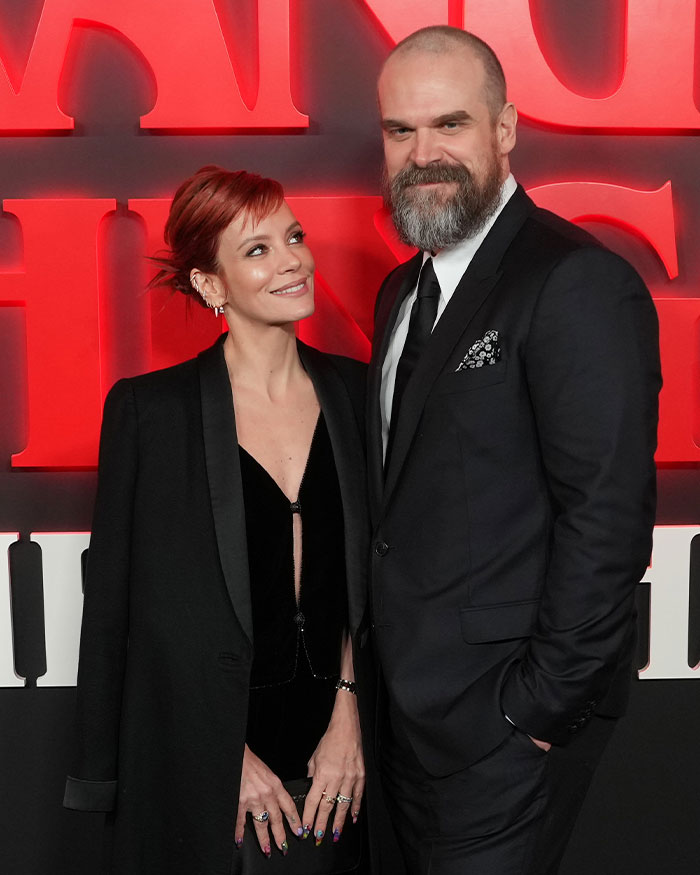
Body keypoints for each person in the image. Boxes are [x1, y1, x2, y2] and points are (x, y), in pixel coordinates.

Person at [368, 26, 661, 875]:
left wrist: (535, 709)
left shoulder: (574, 280)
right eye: (400, 130)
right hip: (404, 721)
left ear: (504, 130)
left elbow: (607, 516)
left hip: (501, 727)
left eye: (449, 124)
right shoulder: (400, 291)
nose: (423, 154)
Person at [63, 166, 373, 874]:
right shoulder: (150, 413)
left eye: (293, 236)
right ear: (211, 284)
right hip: (204, 755)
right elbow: (121, 610)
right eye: (258, 249)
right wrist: (218, 754)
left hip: (342, 752)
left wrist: (350, 716)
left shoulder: (358, 395)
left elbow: (382, 575)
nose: (293, 260)